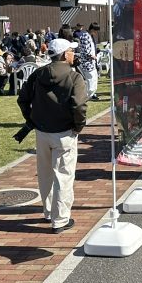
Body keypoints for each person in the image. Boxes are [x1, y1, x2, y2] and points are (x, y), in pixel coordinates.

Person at [19, 37, 89, 233]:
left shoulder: (38, 74)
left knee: (45, 174)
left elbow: (22, 98)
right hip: (65, 132)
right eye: (71, 51)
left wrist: (31, 118)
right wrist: (78, 126)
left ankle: (49, 212)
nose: (74, 54)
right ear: (65, 54)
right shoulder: (74, 77)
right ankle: (60, 220)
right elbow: (79, 106)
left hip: (42, 132)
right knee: (63, 176)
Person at [73, 23, 99, 101]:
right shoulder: (85, 36)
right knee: (90, 80)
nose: (96, 33)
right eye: (96, 31)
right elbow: (85, 50)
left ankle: (89, 95)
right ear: (92, 30)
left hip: (91, 62)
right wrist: (92, 56)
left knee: (93, 80)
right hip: (88, 63)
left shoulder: (89, 36)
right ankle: (86, 97)